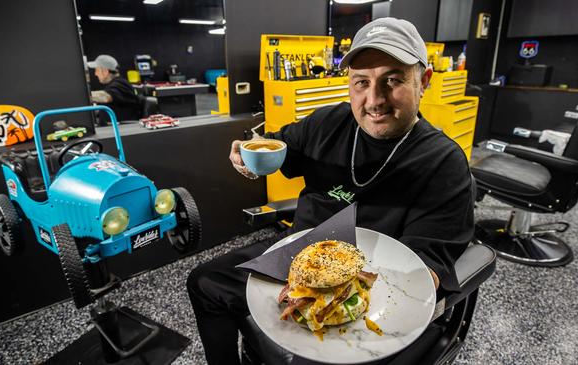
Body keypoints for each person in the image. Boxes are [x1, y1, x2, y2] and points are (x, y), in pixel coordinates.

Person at [187, 17, 473, 365]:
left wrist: (330, 295)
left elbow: (425, 270)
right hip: (296, 255)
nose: (374, 100)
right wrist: (251, 152)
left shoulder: (443, 163)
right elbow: (280, 147)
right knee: (205, 282)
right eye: (361, 82)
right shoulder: (326, 122)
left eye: (393, 80)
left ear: (424, 80)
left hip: (371, 282)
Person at [87, 54, 141, 123]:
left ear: (105, 72)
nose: (95, 74)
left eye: (97, 70)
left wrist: (82, 97)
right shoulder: (113, 84)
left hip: (122, 130)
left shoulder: (122, 84)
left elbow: (106, 97)